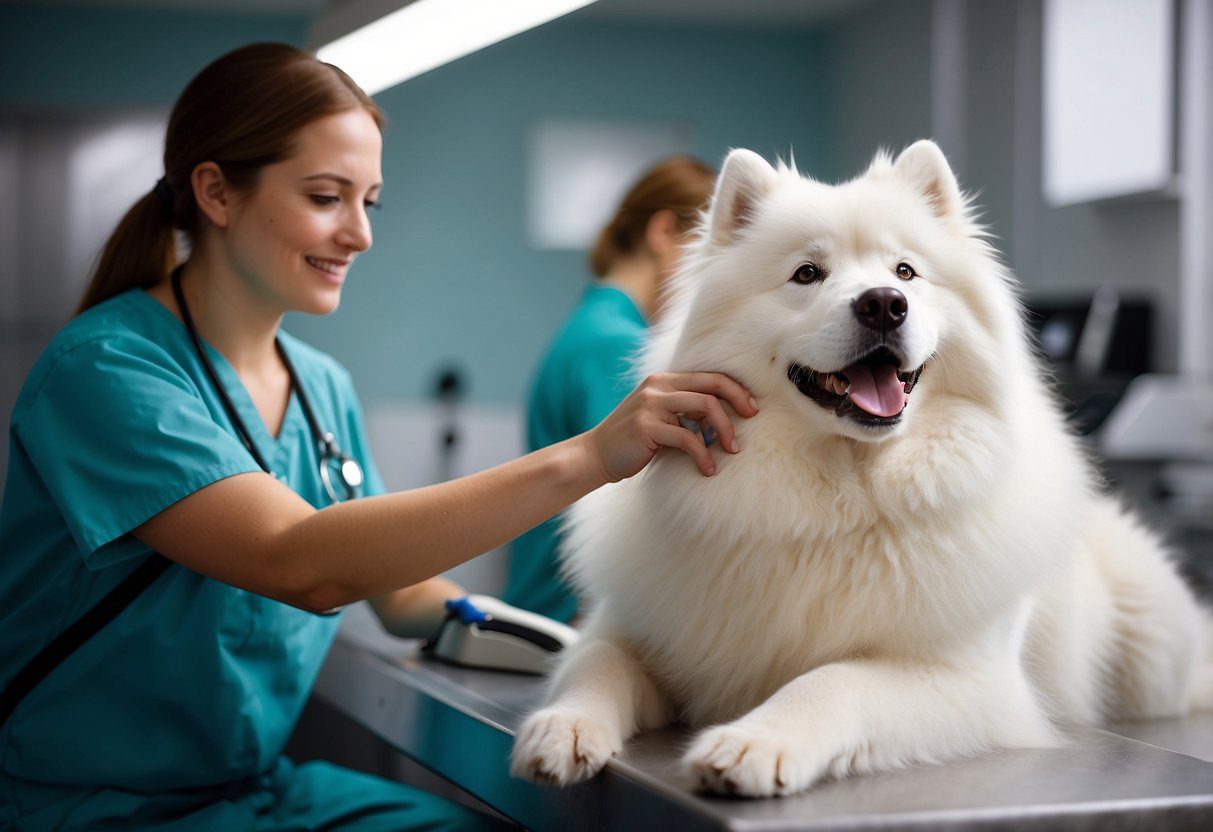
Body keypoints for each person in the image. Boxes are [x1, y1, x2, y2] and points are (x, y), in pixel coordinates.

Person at [0, 44, 756, 831]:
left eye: (371, 202)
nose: (358, 235)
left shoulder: (320, 388)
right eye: (327, 197)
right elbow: (299, 561)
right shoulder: (107, 370)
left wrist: (600, 657)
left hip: (249, 794)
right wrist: (590, 456)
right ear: (217, 192)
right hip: (91, 811)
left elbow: (399, 595)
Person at [501, 157, 717, 623]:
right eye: (708, 255)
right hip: (560, 625)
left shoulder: (590, 327)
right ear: (663, 234)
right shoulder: (617, 345)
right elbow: (628, 521)